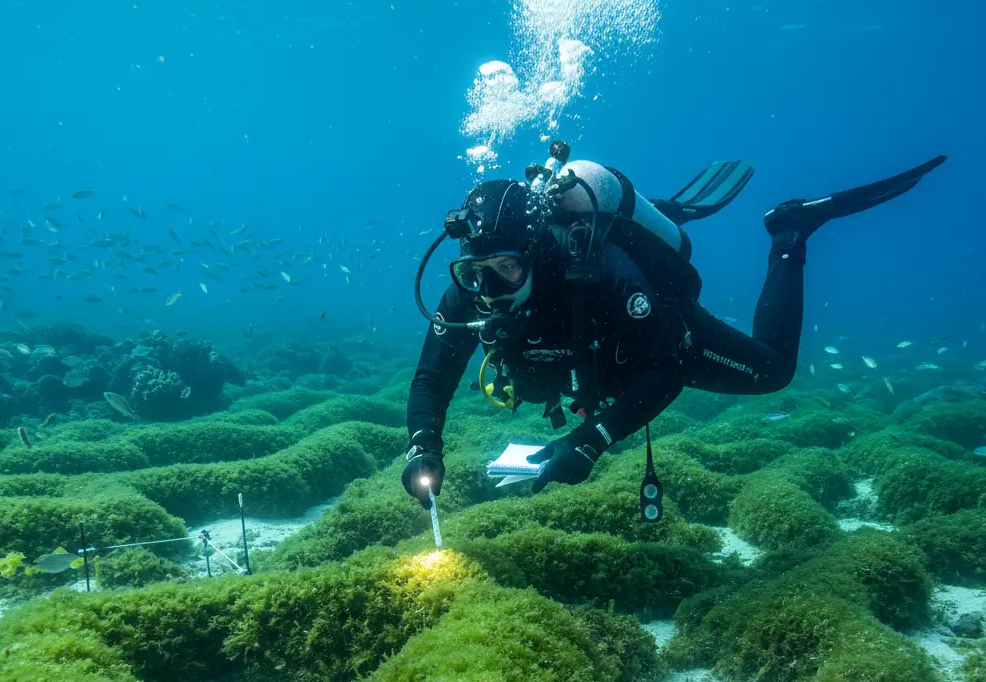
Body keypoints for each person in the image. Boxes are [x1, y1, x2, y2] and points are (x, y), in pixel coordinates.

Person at [402, 144, 946, 516]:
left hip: (662, 335)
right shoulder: (471, 290)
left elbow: (664, 372)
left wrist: (592, 440)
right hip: (592, 362)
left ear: (538, 256)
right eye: (474, 273)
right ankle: (668, 211)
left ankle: (789, 234)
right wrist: (424, 448)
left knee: (774, 371)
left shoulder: (603, 274)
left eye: (507, 271)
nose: (489, 291)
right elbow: (432, 377)